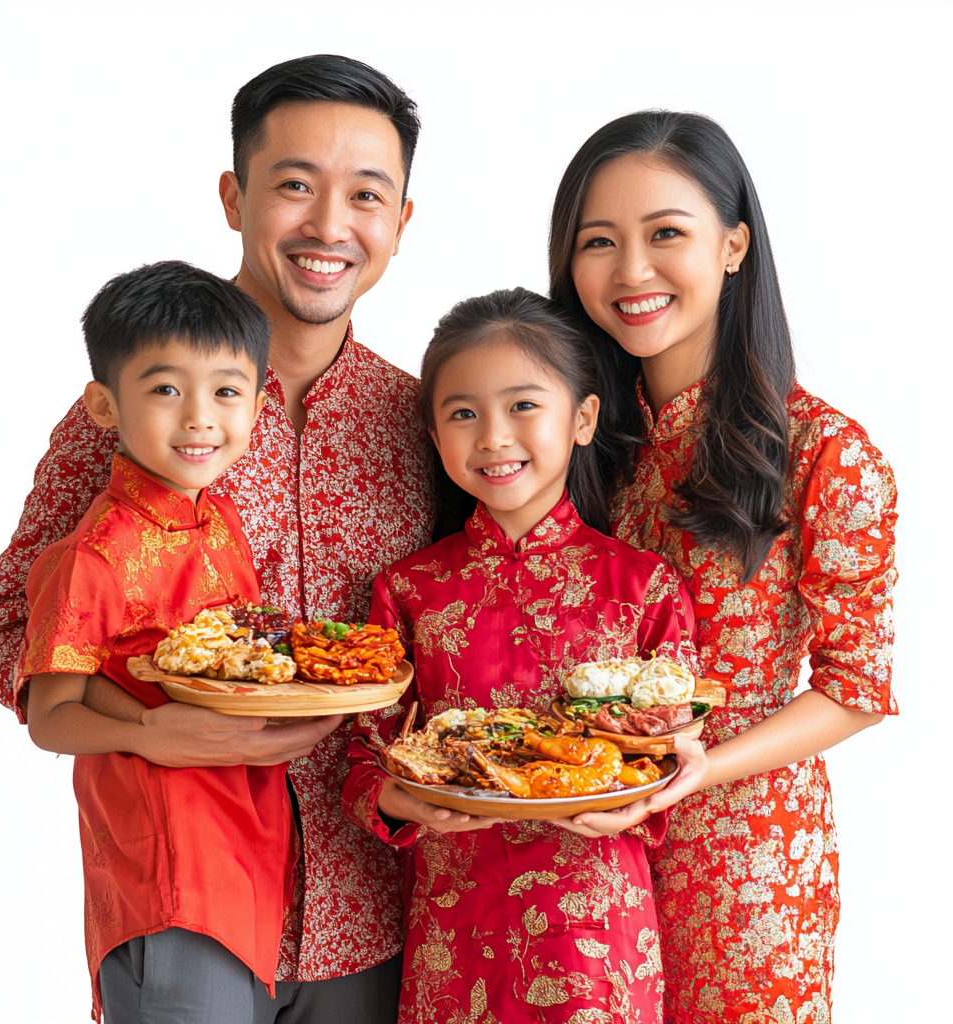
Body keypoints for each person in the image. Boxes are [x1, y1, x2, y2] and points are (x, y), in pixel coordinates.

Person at [0, 55, 431, 1022]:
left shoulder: (429, 422)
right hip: (185, 893)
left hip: (374, 903)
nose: (328, 225)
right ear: (234, 196)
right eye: (294, 185)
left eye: (365, 195)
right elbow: (2, 625)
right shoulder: (132, 408)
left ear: (399, 223)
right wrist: (155, 731)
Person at [547, 111, 898, 1023]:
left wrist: (699, 772)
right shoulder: (574, 440)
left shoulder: (824, 453)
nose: (631, 271)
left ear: (734, 244)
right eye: (599, 241)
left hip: (746, 855)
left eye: (667, 233)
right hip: (577, 836)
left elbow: (856, 689)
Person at [342, 288, 699, 1024]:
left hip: (596, 927)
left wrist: (642, 795)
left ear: (585, 418)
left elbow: (673, 754)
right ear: (435, 433)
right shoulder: (409, 590)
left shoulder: (644, 586)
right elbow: (364, 755)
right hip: (453, 921)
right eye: (463, 413)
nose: (493, 436)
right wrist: (396, 800)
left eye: (523, 406)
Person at [19, 260, 305, 1021]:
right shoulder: (91, 554)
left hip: (243, 845)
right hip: (162, 869)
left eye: (225, 391)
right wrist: (153, 732)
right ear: (104, 405)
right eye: (166, 389)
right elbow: (51, 716)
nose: (199, 418)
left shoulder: (223, 525)